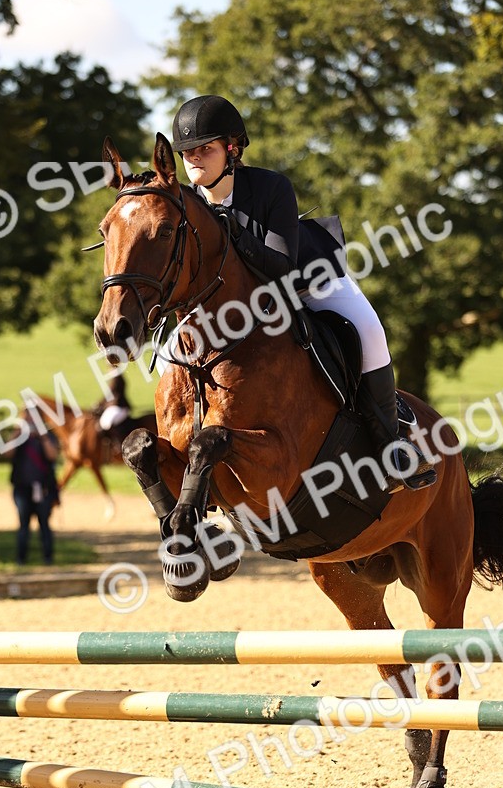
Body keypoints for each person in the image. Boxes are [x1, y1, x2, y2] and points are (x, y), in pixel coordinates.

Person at [170, 94, 436, 492]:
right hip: (237, 306)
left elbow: (280, 265)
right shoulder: (184, 204)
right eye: (187, 152)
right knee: (170, 353)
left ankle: (391, 448)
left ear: (232, 148)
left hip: (306, 280)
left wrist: (233, 231)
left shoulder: (271, 187)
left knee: (368, 329)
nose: (194, 159)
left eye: (204, 149)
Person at [10, 407, 59, 565]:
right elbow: (6, 453)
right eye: (27, 416)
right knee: (23, 524)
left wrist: (42, 436)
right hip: (22, 487)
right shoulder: (19, 437)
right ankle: (21, 559)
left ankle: (48, 558)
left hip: (43, 488)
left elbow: (53, 455)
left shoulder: (48, 435)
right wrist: (18, 431)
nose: (30, 420)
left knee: (44, 524)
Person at [94, 373, 135, 444]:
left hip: (119, 407)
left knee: (106, 423)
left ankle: (118, 444)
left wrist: (99, 404)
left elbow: (110, 394)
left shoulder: (116, 379)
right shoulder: (115, 377)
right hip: (116, 407)